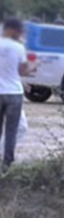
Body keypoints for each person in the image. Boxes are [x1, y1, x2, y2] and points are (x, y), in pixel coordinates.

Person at [0, 18, 27, 171]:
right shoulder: (18, 47)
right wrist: (33, 67)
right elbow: (22, 71)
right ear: (12, 30)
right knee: (11, 131)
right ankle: (6, 165)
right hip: (14, 93)